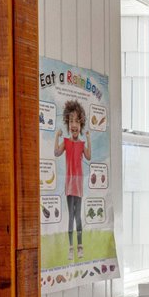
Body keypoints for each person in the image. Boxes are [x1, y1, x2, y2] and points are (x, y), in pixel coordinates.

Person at [55, 100, 90, 259]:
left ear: (81, 125)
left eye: (77, 121)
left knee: (78, 216)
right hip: (69, 183)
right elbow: (56, 153)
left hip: (78, 184)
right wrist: (56, 136)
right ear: (68, 124)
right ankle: (71, 247)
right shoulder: (67, 142)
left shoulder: (82, 144)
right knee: (71, 216)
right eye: (71, 121)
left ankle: (80, 246)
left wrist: (88, 139)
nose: (73, 124)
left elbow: (89, 157)